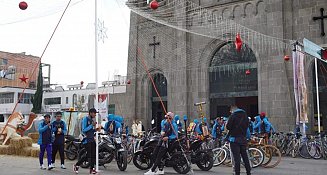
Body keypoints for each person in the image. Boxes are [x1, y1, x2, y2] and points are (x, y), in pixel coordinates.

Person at [73, 108, 100, 174]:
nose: (95, 115)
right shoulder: (85, 119)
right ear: (90, 113)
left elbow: (90, 130)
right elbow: (84, 130)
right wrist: (92, 125)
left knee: (93, 154)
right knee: (88, 155)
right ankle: (77, 165)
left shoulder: (91, 120)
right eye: (94, 113)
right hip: (86, 140)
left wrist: (95, 129)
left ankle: (92, 169)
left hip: (92, 139)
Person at [226, 105, 251, 175]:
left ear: (232, 110)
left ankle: (237, 173)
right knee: (245, 157)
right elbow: (247, 127)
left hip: (234, 139)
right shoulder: (245, 115)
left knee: (237, 159)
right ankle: (248, 172)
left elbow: (228, 127)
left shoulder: (233, 116)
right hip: (243, 139)